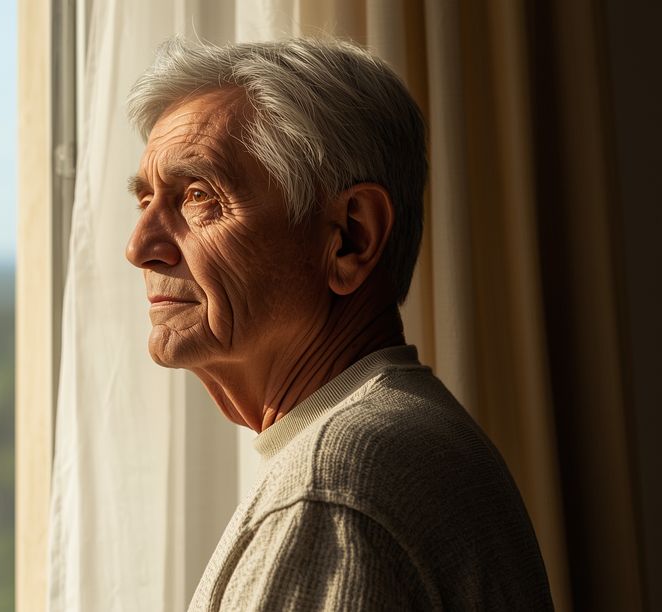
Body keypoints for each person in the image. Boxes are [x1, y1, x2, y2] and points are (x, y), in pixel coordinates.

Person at [124, 37, 552, 611]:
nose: (140, 247)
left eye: (198, 196)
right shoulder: (402, 434)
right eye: (145, 200)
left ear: (352, 237)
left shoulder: (327, 493)